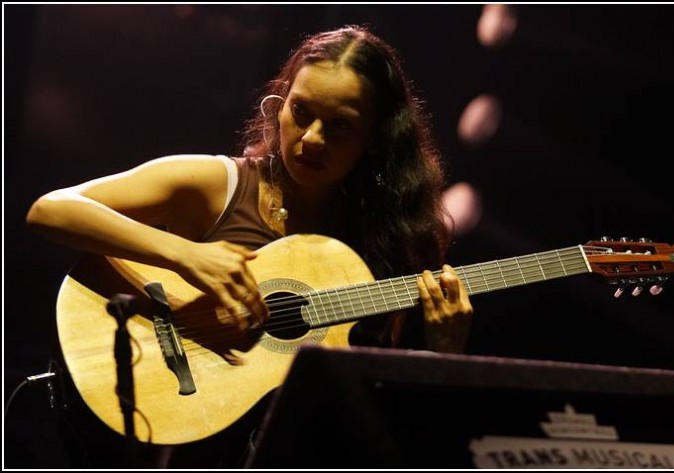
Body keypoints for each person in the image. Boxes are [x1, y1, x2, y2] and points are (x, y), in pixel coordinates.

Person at [26, 24, 473, 468]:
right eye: (301, 111)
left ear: (375, 139)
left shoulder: (381, 246)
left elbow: (377, 426)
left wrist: (443, 357)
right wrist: (186, 255)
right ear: (278, 106)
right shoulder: (217, 185)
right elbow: (51, 209)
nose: (313, 138)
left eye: (339, 126)